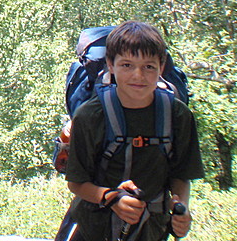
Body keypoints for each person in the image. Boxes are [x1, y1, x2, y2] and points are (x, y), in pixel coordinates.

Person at [64, 21, 204, 241]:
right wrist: (110, 197)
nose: (138, 76)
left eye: (148, 66)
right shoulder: (90, 116)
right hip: (93, 229)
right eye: (127, 65)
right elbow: (76, 182)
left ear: (161, 65)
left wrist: (181, 208)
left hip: (153, 230)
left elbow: (181, 175)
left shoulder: (178, 115)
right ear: (110, 64)